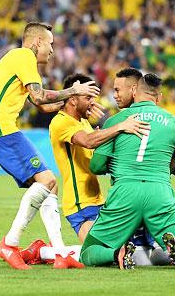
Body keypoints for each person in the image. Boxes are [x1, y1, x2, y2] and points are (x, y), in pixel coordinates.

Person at [0, 22, 100, 270]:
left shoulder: (19, 61)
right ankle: (9, 243)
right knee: (48, 181)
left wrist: (76, 107)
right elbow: (40, 96)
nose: (52, 50)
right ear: (37, 43)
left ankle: (60, 253)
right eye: (50, 44)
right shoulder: (23, 56)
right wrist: (74, 90)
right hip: (1, 130)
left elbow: (42, 105)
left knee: (48, 187)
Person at [20, 72, 151, 268]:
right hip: (79, 205)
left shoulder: (82, 122)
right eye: (88, 97)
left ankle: (48, 250)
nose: (92, 102)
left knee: (122, 248)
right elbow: (89, 142)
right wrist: (120, 126)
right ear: (72, 99)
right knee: (97, 252)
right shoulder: (60, 122)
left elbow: (95, 149)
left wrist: (104, 125)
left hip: (99, 200)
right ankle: (43, 251)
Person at [80, 74, 175, 270]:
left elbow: (96, 166)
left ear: (134, 91)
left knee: (88, 253)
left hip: (124, 193)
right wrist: (172, 167)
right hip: (160, 194)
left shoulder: (116, 122)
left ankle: (116, 253)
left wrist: (118, 164)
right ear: (158, 97)